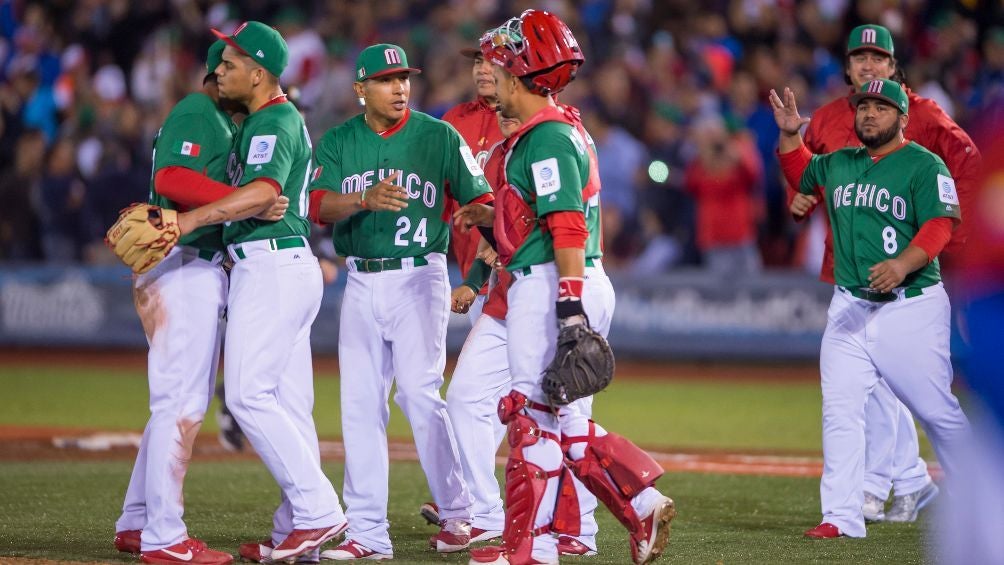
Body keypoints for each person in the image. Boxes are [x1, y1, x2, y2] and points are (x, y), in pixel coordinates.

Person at [455, 10, 676, 565]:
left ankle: (528, 549)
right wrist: (492, 216)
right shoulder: (554, 129)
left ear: (520, 73)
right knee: (562, 421)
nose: (492, 79)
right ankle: (638, 503)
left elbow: (567, 224)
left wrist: (569, 304)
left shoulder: (548, 137)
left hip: (553, 281)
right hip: (562, 277)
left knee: (531, 420)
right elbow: (543, 214)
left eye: (500, 67)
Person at [304, 43, 494, 561]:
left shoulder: (438, 136)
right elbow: (317, 205)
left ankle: (460, 513)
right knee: (360, 407)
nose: (400, 88)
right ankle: (367, 533)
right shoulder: (340, 141)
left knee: (418, 394)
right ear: (360, 89)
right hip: (362, 279)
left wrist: (474, 238)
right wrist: (362, 199)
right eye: (387, 80)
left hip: (420, 276)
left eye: (404, 78)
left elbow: (483, 203)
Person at [169, 22, 348, 563]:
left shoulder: (273, 118)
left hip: (270, 266)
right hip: (282, 265)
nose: (218, 71)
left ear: (260, 72)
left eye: (229, 63)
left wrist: (189, 220)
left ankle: (317, 511)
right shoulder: (265, 118)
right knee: (289, 406)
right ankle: (298, 531)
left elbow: (266, 191)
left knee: (247, 396)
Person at [770, 79, 971, 539]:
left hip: (911, 306)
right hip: (849, 306)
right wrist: (788, 135)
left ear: (902, 118)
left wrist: (903, 263)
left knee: (935, 409)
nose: (869, 114)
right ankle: (840, 516)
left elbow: (940, 225)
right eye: (863, 107)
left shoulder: (924, 164)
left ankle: (983, 492)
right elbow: (801, 174)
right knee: (840, 409)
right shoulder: (840, 162)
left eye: (881, 107)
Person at [112, 39, 244, 565]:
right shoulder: (198, 109)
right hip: (183, 262)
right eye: (237, 69)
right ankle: (166, 538)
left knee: (173, 402)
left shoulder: (218, 119)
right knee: (181, 406)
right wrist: (237, 203)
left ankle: (138, 521)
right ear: (218, 75)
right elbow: (170, 178)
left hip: (188, 264)